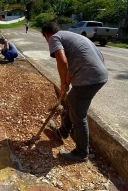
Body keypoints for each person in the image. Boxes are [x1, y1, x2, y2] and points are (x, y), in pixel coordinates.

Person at [41, 22, 108, 162]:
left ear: (46, 35)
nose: (48, 42)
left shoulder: (54, 38)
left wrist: (61, 85)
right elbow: (71, 66)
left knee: (78, 115)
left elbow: (63, 63)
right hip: (98, 75)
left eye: (46, 39)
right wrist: (66, 85)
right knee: (72, 101)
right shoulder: (69, 35)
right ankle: (63, 132)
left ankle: (81, 153)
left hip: (88, 79)